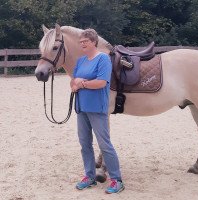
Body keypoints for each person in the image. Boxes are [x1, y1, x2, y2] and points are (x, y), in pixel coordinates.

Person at [70, 28, 124, 194]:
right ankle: (90, 176)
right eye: (80, 42)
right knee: (84, 144)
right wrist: (76, 84)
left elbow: (101, 82)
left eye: (85, 42)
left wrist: (82, 83)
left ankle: (116, 180)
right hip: (82, 108)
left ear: (94, 42)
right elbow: (72, 83)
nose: (82, 44)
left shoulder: (103, 59)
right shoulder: (80, 61)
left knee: (104, 144)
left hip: (97, 108)